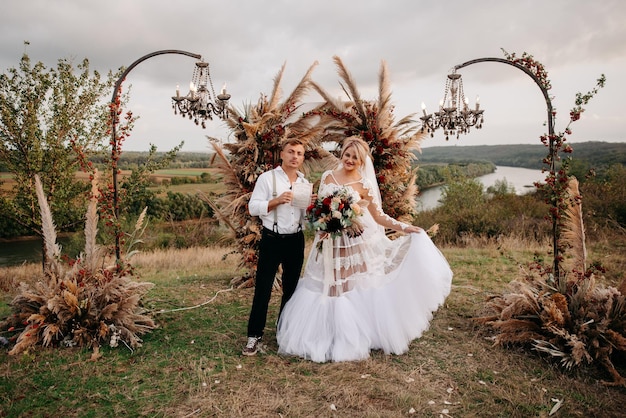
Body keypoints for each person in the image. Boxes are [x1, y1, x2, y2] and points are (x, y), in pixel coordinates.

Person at [277, 136, 453, 362]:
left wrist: (406, 227)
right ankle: (325, 334)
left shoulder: (364, 184)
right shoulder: (327, 177)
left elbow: (379, 217)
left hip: (352, 244)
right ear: (342, 154)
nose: (350, 160)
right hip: (328, 242)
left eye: (355, 157)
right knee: (327, 287)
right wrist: (321, 225)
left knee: (347, 290)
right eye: (347, 155)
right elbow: (317, 208)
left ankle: (347, 337)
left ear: (362, 161)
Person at [242, 137, 312, 356]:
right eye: (291, 152)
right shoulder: (267, 178)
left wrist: (312, 207)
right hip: (272, 238)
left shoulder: (304, 182)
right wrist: (276, 200)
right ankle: (254, 336)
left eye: (299, 153)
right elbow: (253, 208)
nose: (295, 157)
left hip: (296, 240)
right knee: (263, 288)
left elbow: (306, 217)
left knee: (291, 290)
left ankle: (285, 333)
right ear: (282, 154)